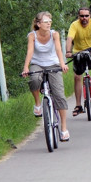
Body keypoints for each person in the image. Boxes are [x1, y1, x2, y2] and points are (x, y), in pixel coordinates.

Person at [22, 11, 70, 141]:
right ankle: (38, 104)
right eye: (45, 22)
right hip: (37, 64)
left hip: (53, 64)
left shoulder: (55, 34)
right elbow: (30, 51)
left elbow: (59, 49)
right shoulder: (32, 36)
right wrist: (26, 67)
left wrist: (62, 64)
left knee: (59, 94)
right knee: (34, 79)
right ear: (38, 24)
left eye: (50, 21)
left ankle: (64, 128)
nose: (49, 23)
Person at [66, 7, 91, 117]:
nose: (84, 18)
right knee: (77, 77)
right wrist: (68, 51)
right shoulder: (74, 25)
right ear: (78, 16)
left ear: (90, 16)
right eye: (82, 16)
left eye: (86, 16)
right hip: (78, 50)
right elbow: (69, 39)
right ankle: (78, 106)